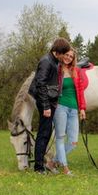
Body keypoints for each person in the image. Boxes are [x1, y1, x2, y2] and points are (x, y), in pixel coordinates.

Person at [29, 37, 71, 174]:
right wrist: (46, 106)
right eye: (64, 54)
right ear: (58, 51)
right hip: (44, 103)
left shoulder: (54, 61)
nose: (65, 56)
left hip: (50, 102)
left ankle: (41, 164)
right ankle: (38, 168)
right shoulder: (46, 62)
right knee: (43, 134)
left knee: (46, 134)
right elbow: (41, 84)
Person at [47, 48, 86, 175]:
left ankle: (52, 162)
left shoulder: (76, 71)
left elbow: (80, 91)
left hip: (74, 109)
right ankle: (65, 168)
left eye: (71, 56)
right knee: (60, 138)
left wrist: (82, 108)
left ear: (73, 58)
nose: (68, 57)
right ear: (62, 55)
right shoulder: (56, 69)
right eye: (67, 55)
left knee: (73, 142)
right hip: (60, 108)